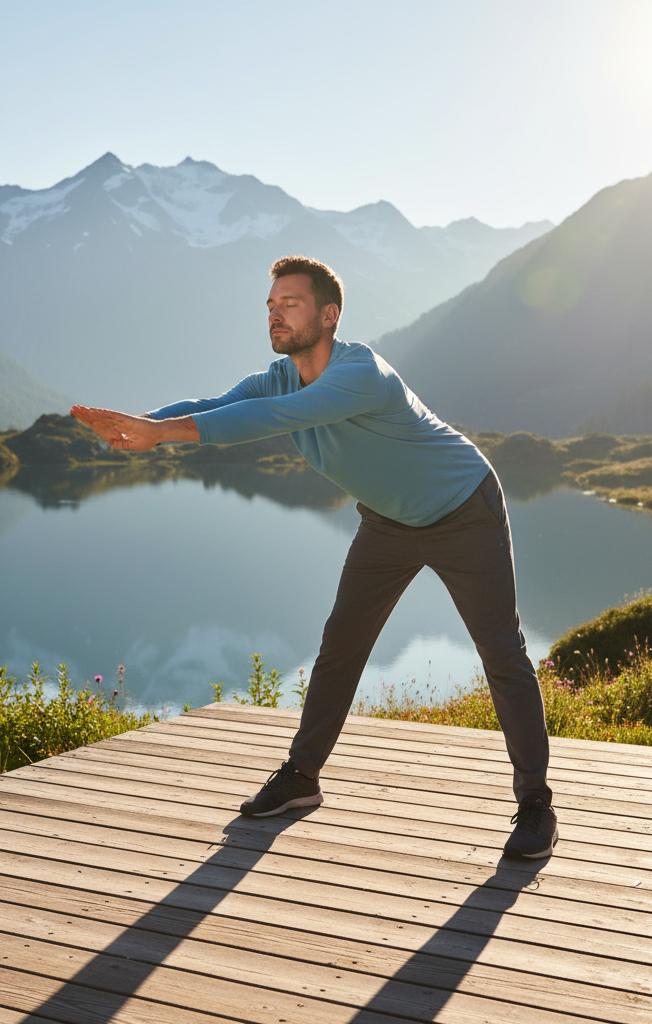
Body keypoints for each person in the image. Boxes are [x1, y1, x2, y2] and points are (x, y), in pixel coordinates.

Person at [72, 255, 558, 859]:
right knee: (341, 645)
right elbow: (225, 405)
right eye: (270, 305)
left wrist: (159, 434)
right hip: (390, 520)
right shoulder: (278, 375)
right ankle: (301, 778)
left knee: (501, 652)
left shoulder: (362, 373)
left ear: (329, 315)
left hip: (463, 507)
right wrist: (137, 424)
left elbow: (271, 419)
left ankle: (535, 803)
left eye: (290, 304)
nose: (275, 313)